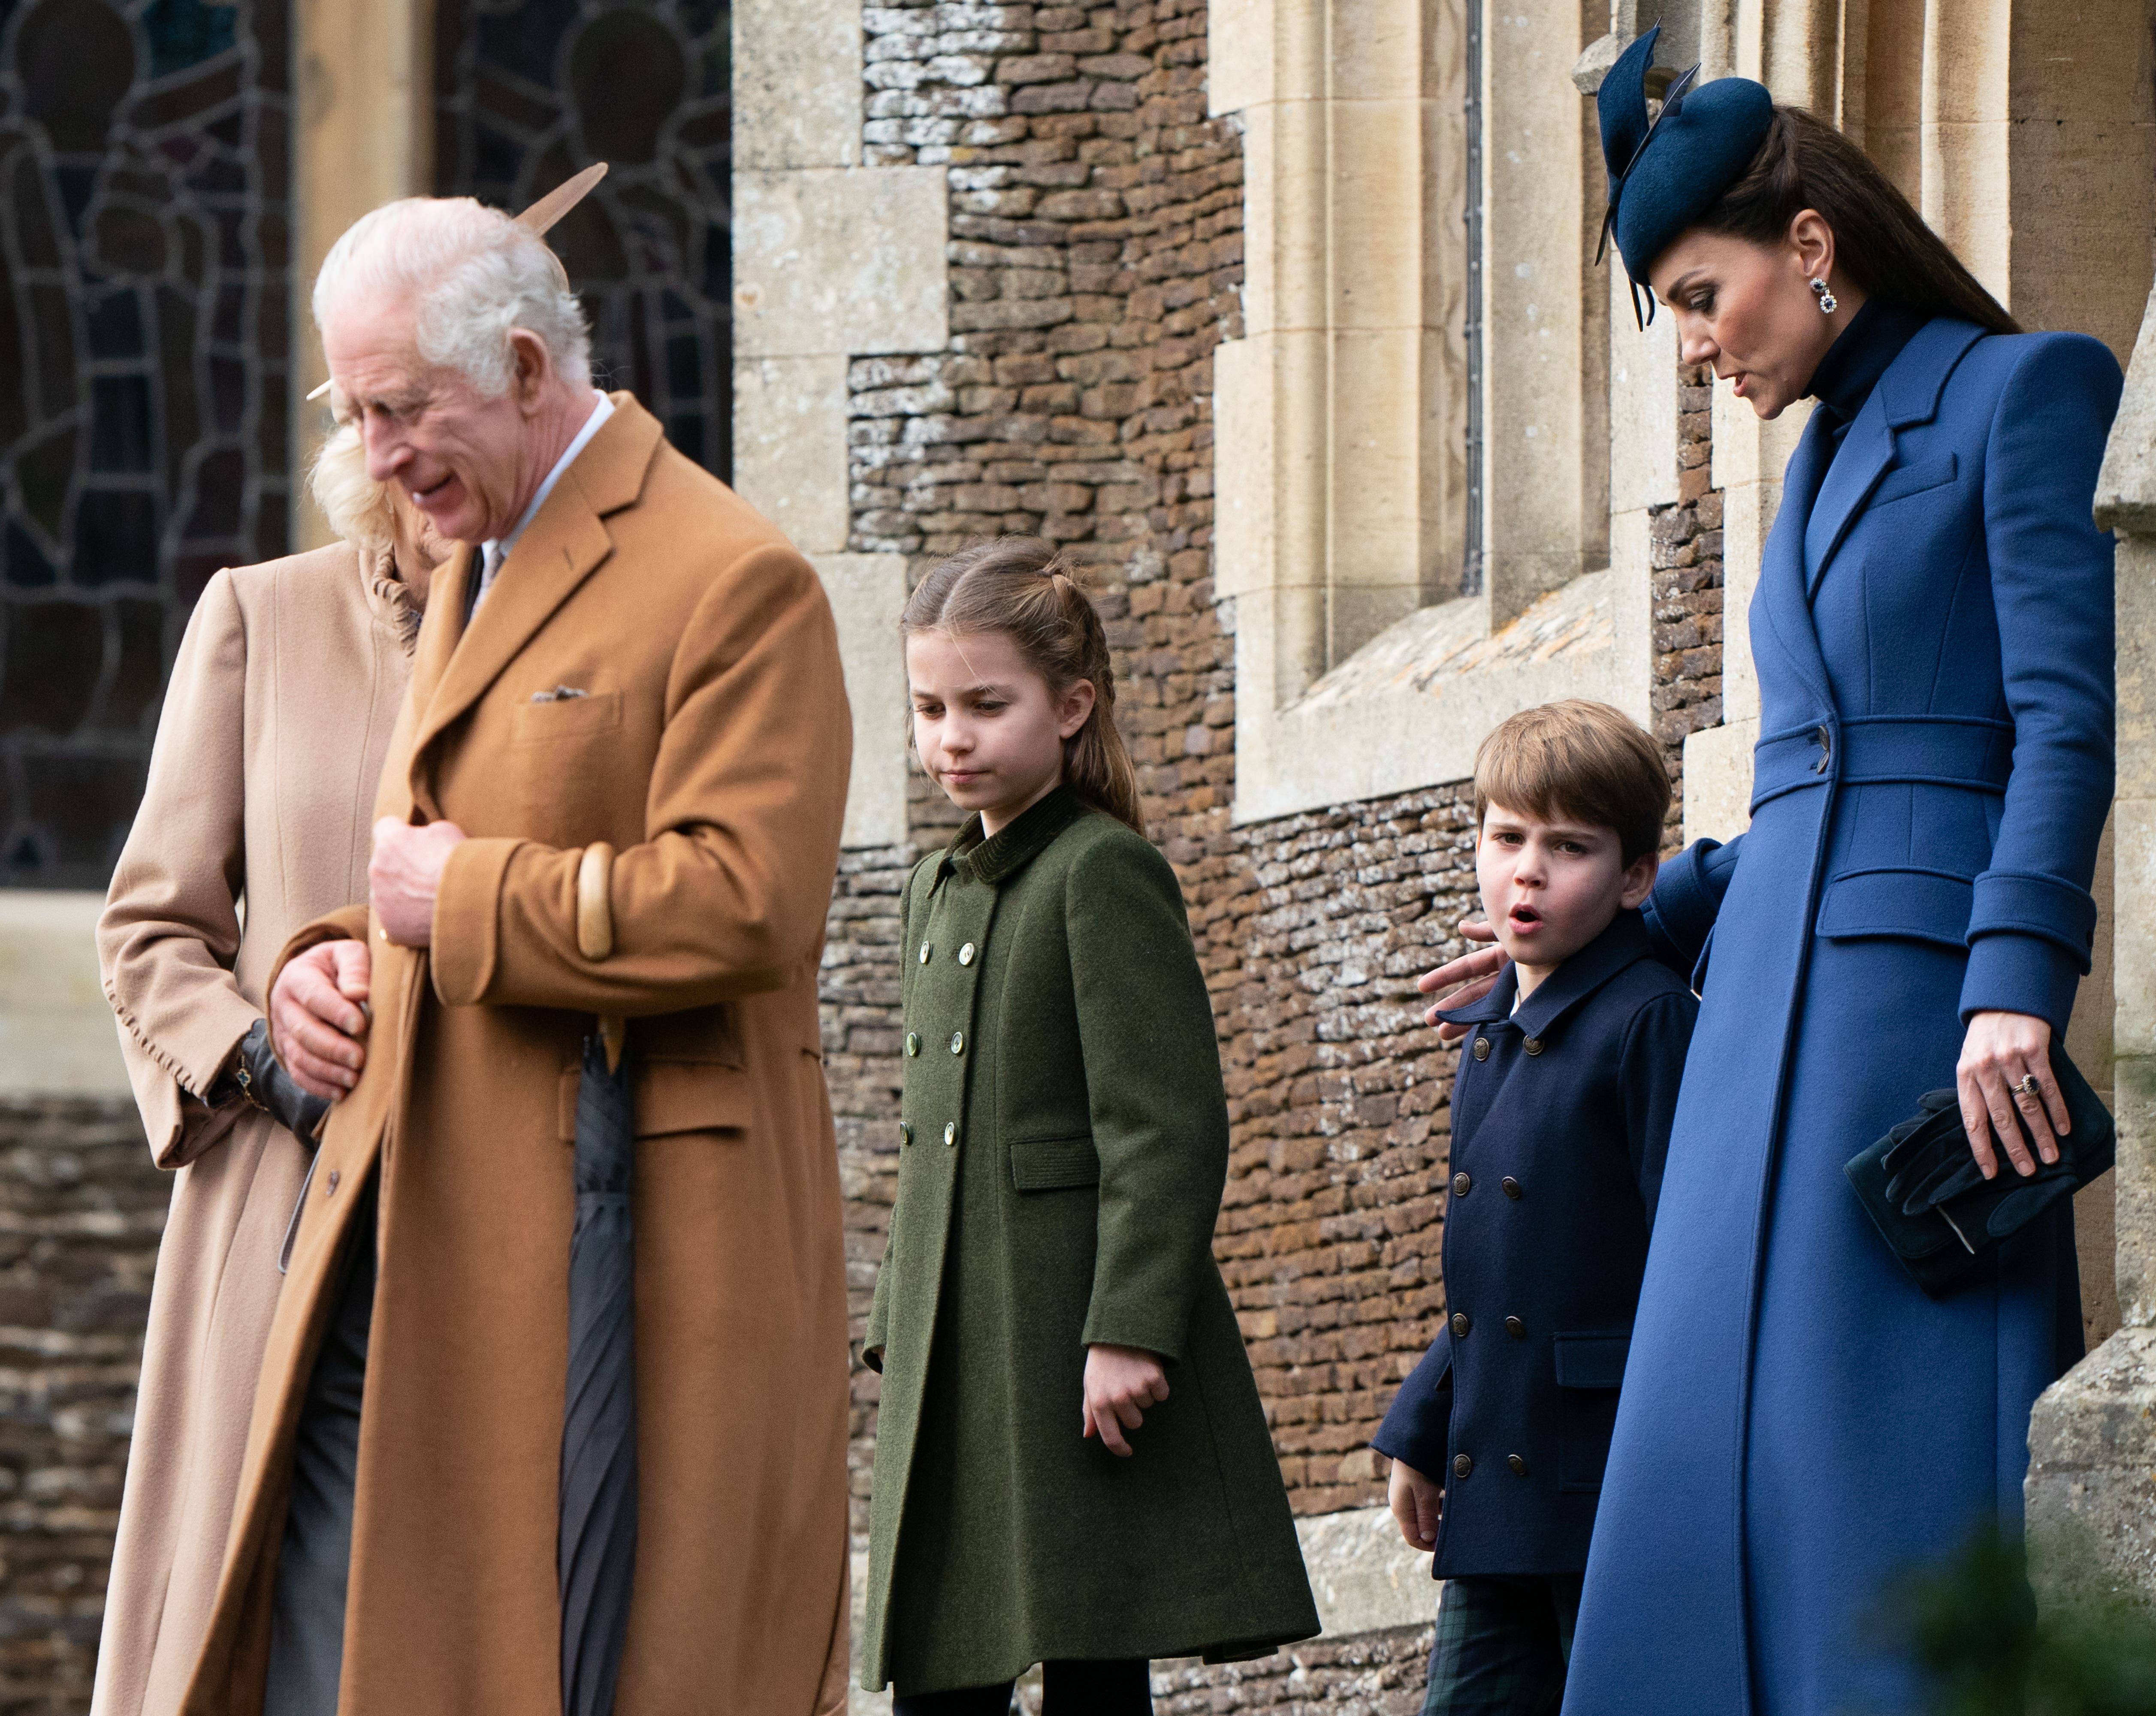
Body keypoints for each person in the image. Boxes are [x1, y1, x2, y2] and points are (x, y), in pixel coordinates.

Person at [1425, 32, 2120, 1713]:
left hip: (1915, 1028)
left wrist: (2015, 979)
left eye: (1702, 291)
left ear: (1810, 247)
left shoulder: (2022, 395)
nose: (1695, 343)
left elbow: (2064, 716)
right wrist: (1634, 917)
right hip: (1754, 1044)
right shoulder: (1811, 470)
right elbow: (1808, 791)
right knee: (1712, 1462)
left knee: (1875, 1466)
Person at [185, 193, 855, 1716]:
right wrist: (315, 965)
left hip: (621, 1239)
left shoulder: (733, 575)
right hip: (420, 1215)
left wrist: (466, 906)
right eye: (355, 414)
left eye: (401, 410)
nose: (373, 456)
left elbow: (751, 901)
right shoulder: (473, 556)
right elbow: (429, 863)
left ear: (529, 365)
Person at [861, 539, 1318, 1714]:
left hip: (1067, 1337)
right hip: (960, 1343)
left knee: (1091, 1653)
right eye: (928, 708)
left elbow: (1164, 1126)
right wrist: (896, 1319)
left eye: (983, 706)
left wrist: (1130, 1328)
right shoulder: (935, 888)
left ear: (1070, 708)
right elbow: (932, 1137)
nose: (950, 738)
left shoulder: (1102, 872)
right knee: (943, 1659)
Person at [88, 424, 448, 1716]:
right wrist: (265, 1046)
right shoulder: (259, 614)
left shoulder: (592, 650)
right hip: (283, 1207)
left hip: (501, 1227)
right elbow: (148, 928)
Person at [1371, 701, 1697, 1716]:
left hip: (1606, 1478)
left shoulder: (1651, 1019)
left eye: (1570, 847)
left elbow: (1688, 1261)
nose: (1529, 870)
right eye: (1507, 836)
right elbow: (1495, 1267)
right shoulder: (1489, 1031)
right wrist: (1423, 1427)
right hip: (1499, 1480)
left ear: (1637, 875)